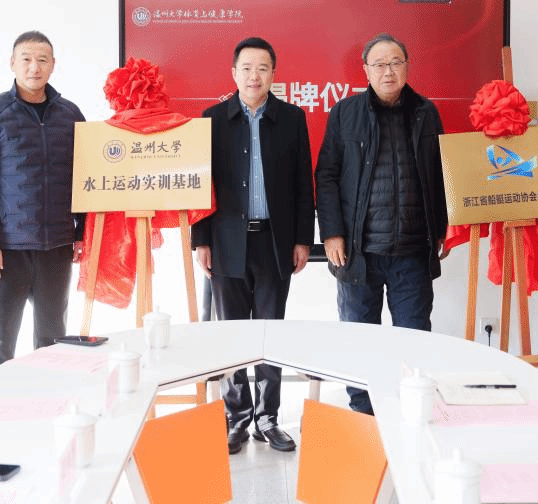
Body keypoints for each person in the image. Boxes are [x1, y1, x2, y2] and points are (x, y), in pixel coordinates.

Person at [315, 33, 449, 415]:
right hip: (359, 253)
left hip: (412, 253)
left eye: (395, 63)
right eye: (379, 64)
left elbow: (442, 173)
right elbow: (327, 175)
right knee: (360, 338)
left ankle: (411, 410)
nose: (388, 71)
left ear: (407, 66)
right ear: (366, 71)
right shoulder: (345, 113)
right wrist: (332, 233)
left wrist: (443, 230)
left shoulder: (426, 112)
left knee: (414, 338)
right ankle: (363, 412)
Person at [191, 37, 314, 454]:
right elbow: (202, 186)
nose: (254, 76)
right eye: (246, 68)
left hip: (275, 242)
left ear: (273, 74)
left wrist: (302, 239)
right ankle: (237, 418)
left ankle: (268, 418)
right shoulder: (212, 119)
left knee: (270, 334)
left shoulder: (292, 119)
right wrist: (201, 240)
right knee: (231, 335)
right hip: (226, 242)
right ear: (234, 73)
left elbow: (303, 184)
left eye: (262, 68)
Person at [0, 31, 85, 373]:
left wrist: (81, 232)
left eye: (42, 60)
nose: (35, 67)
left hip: (57, 247)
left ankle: (51, 401)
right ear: (12, 63)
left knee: (53, 341)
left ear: (53, 65)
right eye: (27, 59)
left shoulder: (71, 114)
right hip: (6, 249)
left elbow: (86, 177)